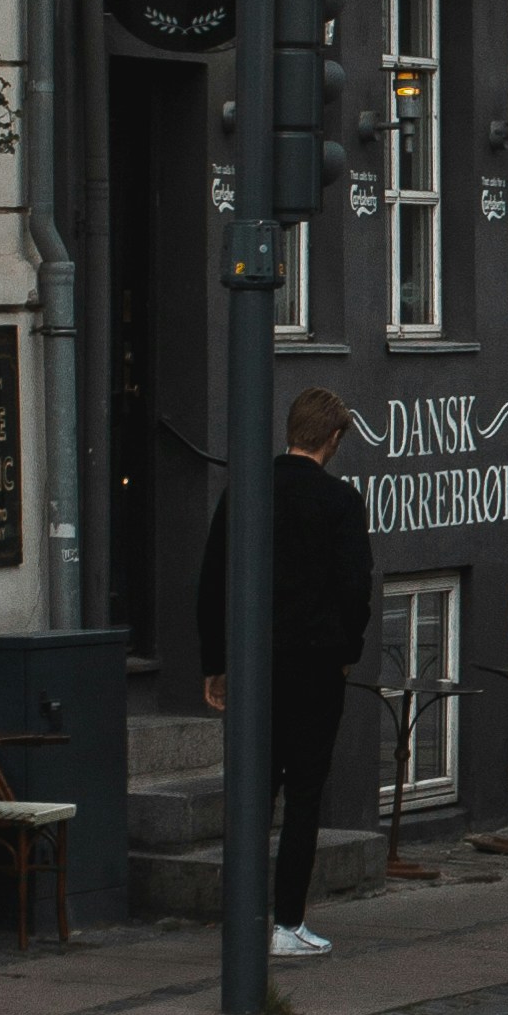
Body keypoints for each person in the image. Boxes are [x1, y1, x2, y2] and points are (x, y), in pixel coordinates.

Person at [196, 389, 373, 961]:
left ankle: (241, 913)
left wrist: (215, 663)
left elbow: (212, 581)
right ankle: (287, 921)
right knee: (302, 794)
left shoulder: (246, 492)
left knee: (254, 788)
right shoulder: (340, 502)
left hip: (255, 661)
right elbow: (354, 587)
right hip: (317, 663)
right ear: (334, 438)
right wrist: (348, 649)